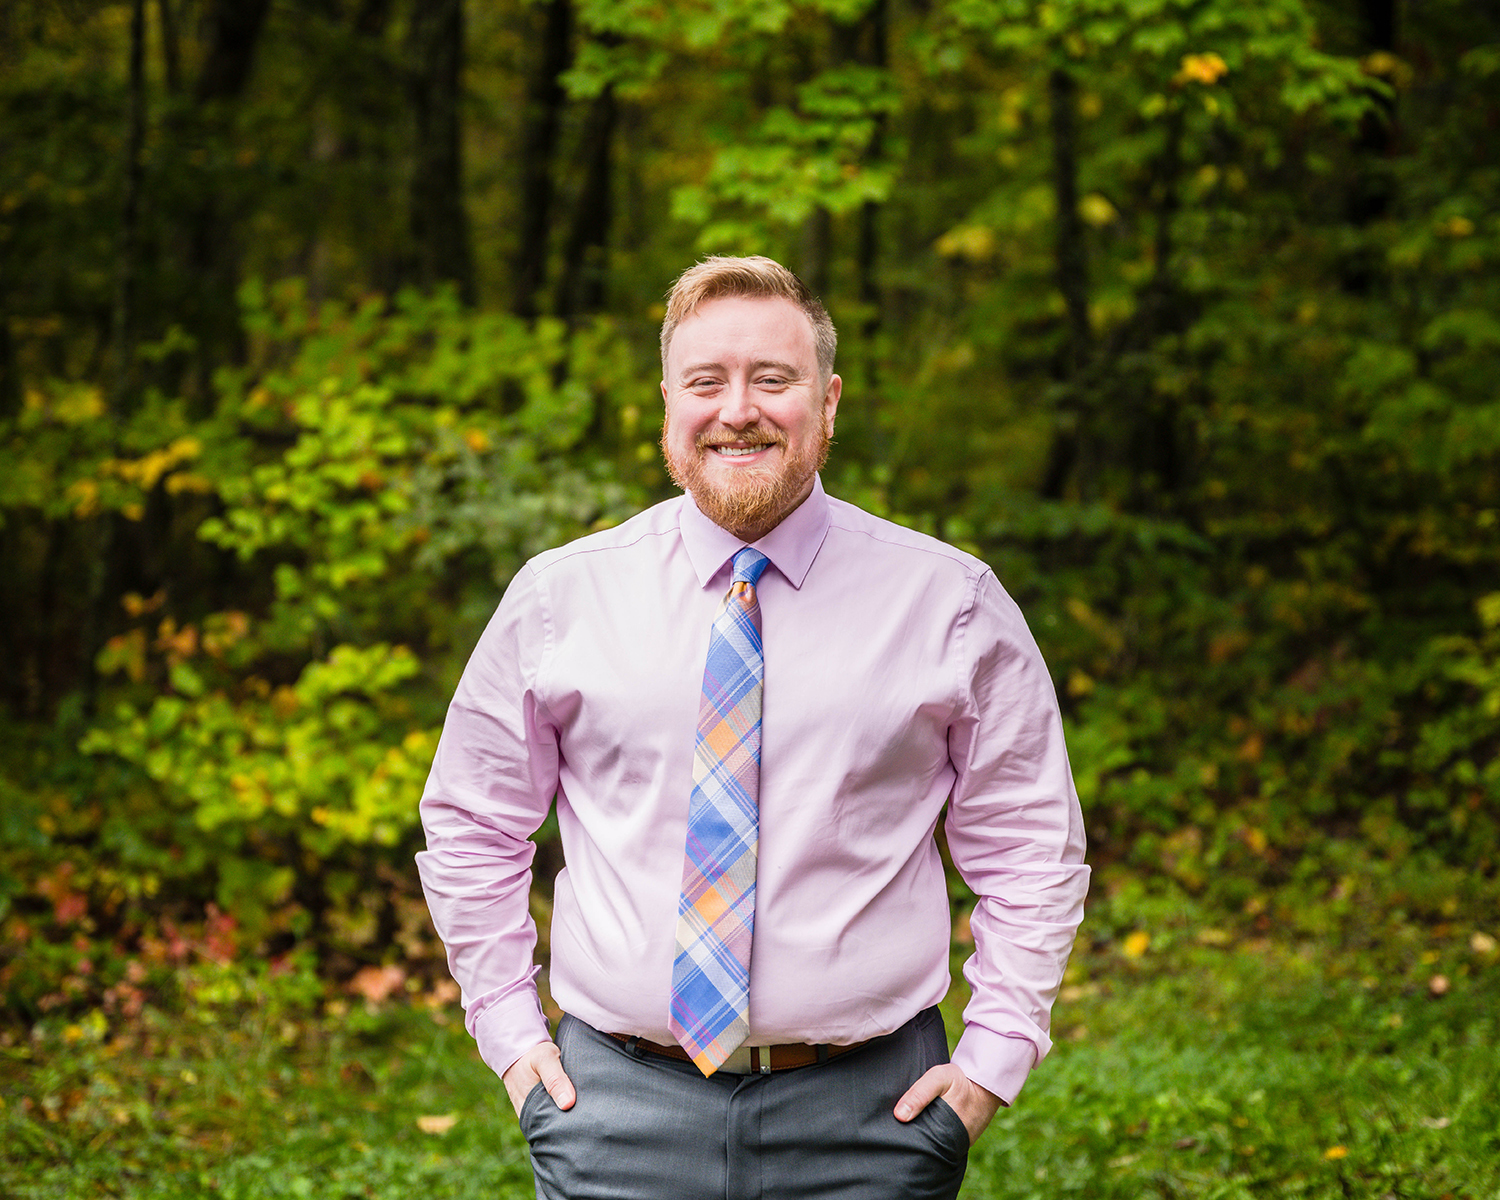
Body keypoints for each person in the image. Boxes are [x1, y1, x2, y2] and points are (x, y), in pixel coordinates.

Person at [416, 255, 1089, 1199]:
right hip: (610, 1114)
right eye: (707, 382)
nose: (739, 409)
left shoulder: (951, 603)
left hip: (871, 1119)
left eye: (774, 379)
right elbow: (471, 823)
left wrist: (992, 1062)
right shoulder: (561, 599)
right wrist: (512, 1038)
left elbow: (1029, 844)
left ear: (829, 399)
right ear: (667, 403)